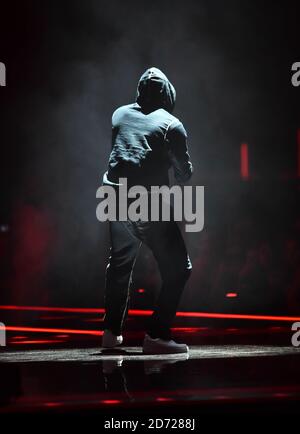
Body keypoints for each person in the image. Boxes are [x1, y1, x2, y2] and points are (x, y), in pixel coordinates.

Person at [101, 67, 193, 354]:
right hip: (145, 201)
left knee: (119, 264)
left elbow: (125, 152)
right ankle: (157, 335)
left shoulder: (119, 114)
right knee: (179, 268)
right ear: (168, 94)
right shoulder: (172, 124)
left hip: (112, 195)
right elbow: (184, 173)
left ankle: (111, 331)